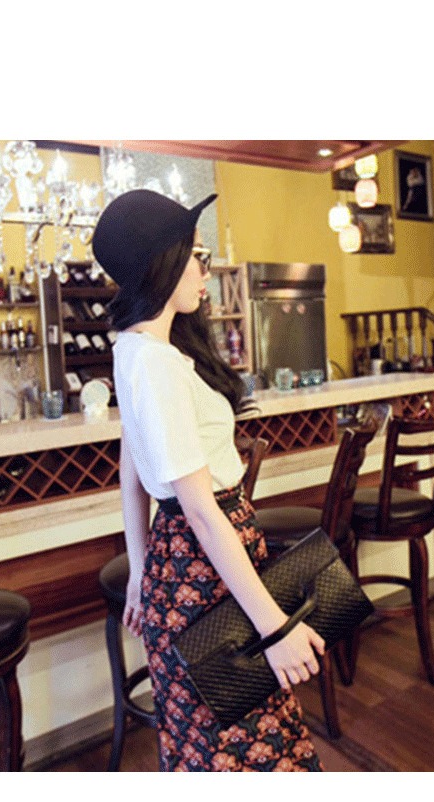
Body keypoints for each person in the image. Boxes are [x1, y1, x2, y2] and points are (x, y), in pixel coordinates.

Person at [92, 189, 324, 772]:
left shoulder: (136, 349)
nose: (205, 269)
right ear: (163, 263)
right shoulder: (157, 364)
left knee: (215, 743)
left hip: (185, 563)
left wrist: (141, 570)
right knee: (244, 745)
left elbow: (131, 468)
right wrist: (275, 629)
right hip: (204, 566)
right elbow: (198, 509)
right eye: (196, 256)